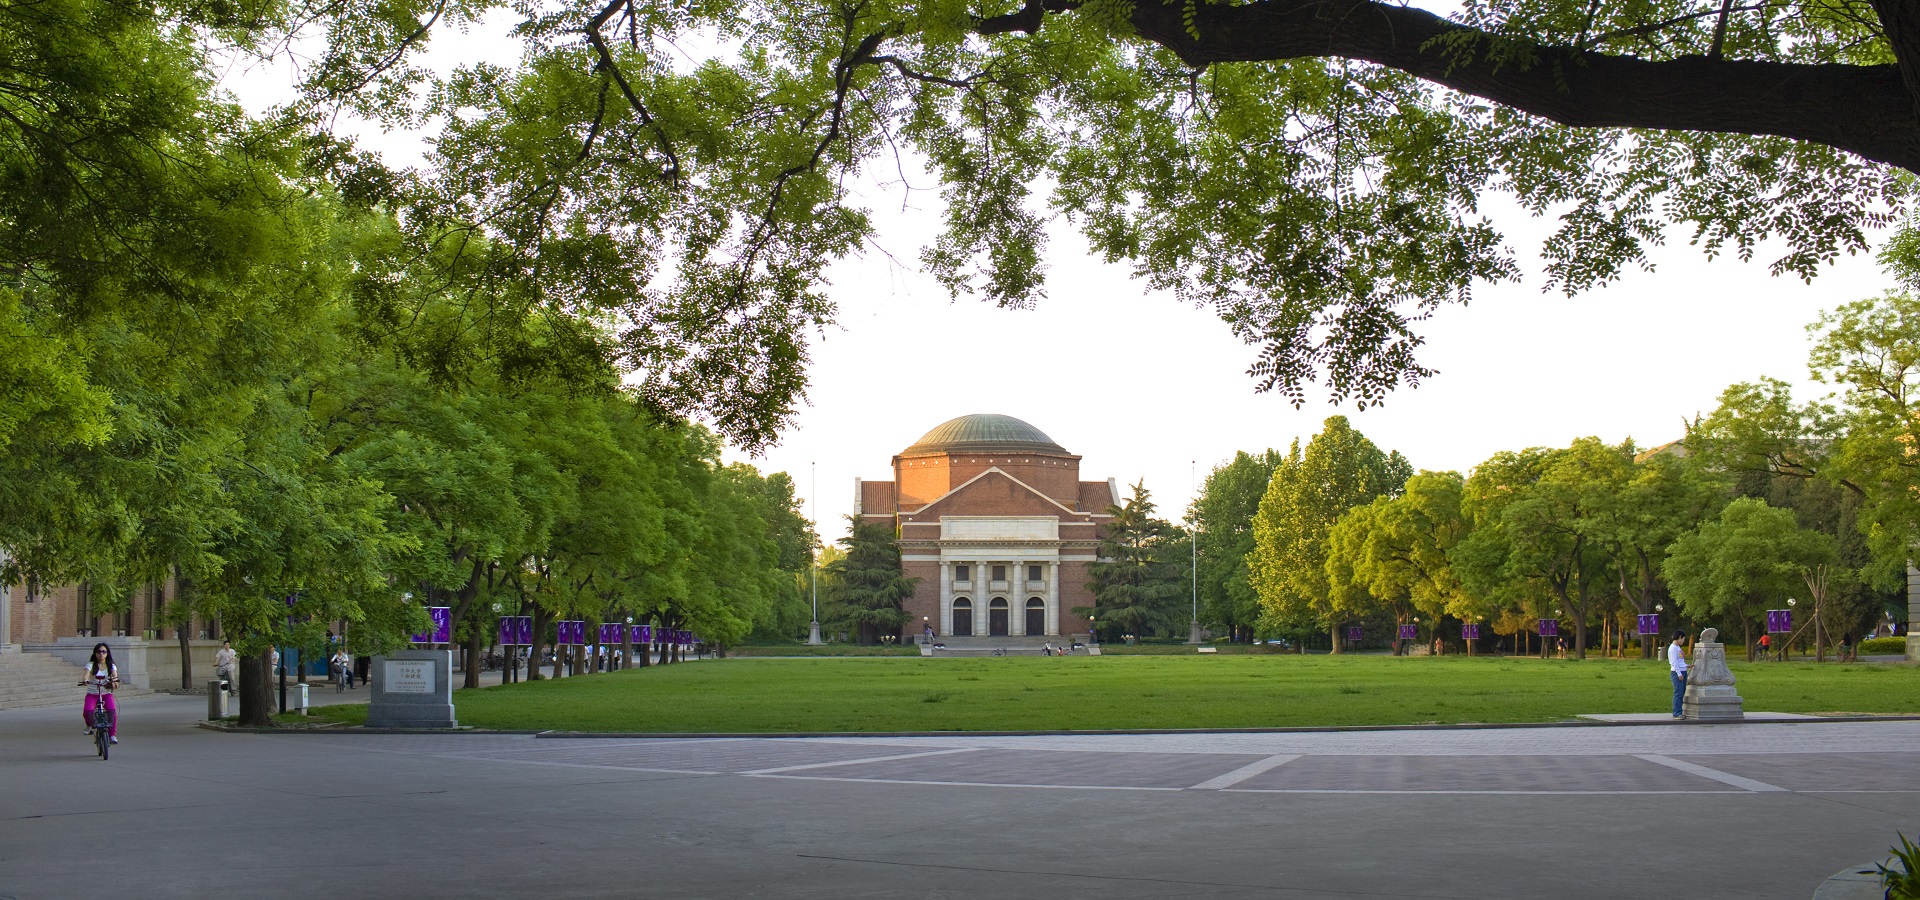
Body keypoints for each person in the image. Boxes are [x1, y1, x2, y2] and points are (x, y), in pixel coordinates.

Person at [81, 642, 120, 744]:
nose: (101, 654)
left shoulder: (111, 666)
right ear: (95, 653)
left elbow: (115, 676)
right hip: (92, 694)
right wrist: (85, 680)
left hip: (106, 694)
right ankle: (90, 725)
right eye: (99, 652)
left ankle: (112, 735)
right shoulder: (90, 665)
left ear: (107, 653)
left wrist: (114, 682)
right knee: (87, 711)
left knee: (112, 712)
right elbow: (86, 675)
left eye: (103, 651)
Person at [1668, 630, 1689, 719]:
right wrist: (1679, 674)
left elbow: (1680, 661)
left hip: (1682, 671)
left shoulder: (1678, 648)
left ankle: (1680, 711)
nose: (1683, 641)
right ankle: (1677, 713)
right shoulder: (1673, 648)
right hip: (1677, 673)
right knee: (1678, 693)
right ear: (1680, 637)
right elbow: (1674, 662)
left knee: (1682, 692)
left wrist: (1687, 666)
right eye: (1683, 639)